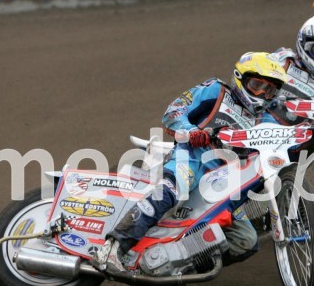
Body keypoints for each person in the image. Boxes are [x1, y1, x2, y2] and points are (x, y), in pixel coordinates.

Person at [95, 52, 288, 273]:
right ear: (240, 78)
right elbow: (173, 111)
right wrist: (192, 131)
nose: (262, 93)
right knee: (170, 191)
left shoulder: (267, 119)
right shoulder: (217, 91)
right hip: (193, 157)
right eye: (256, 85)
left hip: (225, 181)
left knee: (245, 240)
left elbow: (284, 142)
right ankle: (113, 247)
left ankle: (175, 266)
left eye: (269, 90)